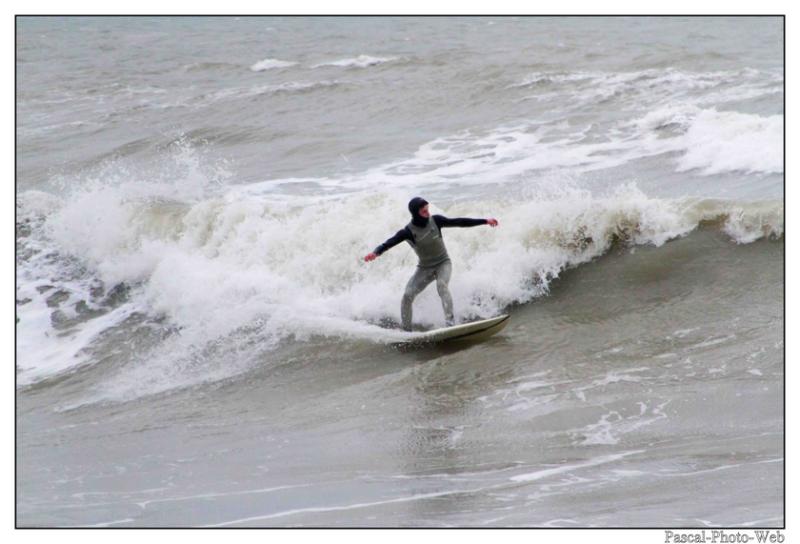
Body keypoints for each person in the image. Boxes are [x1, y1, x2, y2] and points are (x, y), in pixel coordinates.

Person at [364, 197, 499, 331]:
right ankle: (406, 332)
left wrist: (485, 221)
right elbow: (388, 243)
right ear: (415, 213)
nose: (428, 213)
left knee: (442, 285)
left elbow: (459, 221)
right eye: (424, 211)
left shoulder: (436, 221)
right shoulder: (408, 232)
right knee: (407, 296)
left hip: (443, 263)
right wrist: (375, 253)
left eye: (428, 209)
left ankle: (450, 325)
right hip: (424, 268)